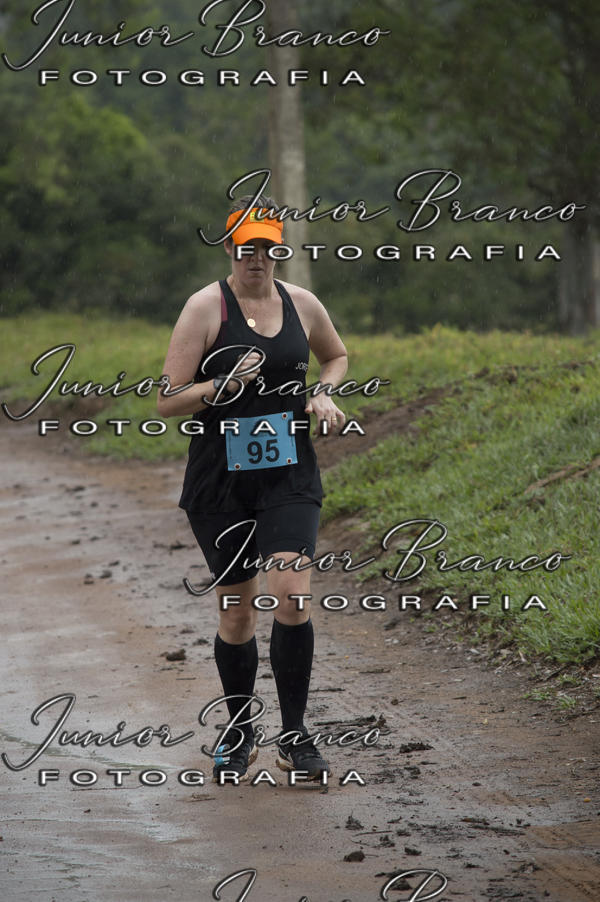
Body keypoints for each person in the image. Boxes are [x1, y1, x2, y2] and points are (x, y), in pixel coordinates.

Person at [157, 193, 347, 783]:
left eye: (267, 248)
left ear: (279, 251)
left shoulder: (304, 304)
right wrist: (218, 387)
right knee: (237, 613)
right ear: (229, 249)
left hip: (289, 475)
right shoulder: (204, 308)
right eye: (246, 249)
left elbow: (335, 356)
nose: (257, 258)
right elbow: (166, 400)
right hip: (221, 481)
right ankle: (240, 731)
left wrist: (324, 391)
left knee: (291, 596)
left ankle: (295, 734)